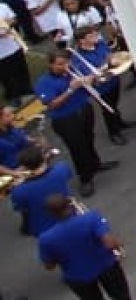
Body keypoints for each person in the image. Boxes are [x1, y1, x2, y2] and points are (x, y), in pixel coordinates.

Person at [35, 47, 112, 195]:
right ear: (51, 65)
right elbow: (51, 104)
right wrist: (70, 89)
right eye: (60, 64)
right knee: (77, 148)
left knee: (89, 138)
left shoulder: (73, 71)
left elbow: (89, 86)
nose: (65, 67)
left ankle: (95, 164)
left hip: (84, 109)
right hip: (66, 119)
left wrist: (91, 80)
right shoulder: (44, 82)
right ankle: (85, 178)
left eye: (66, 63)